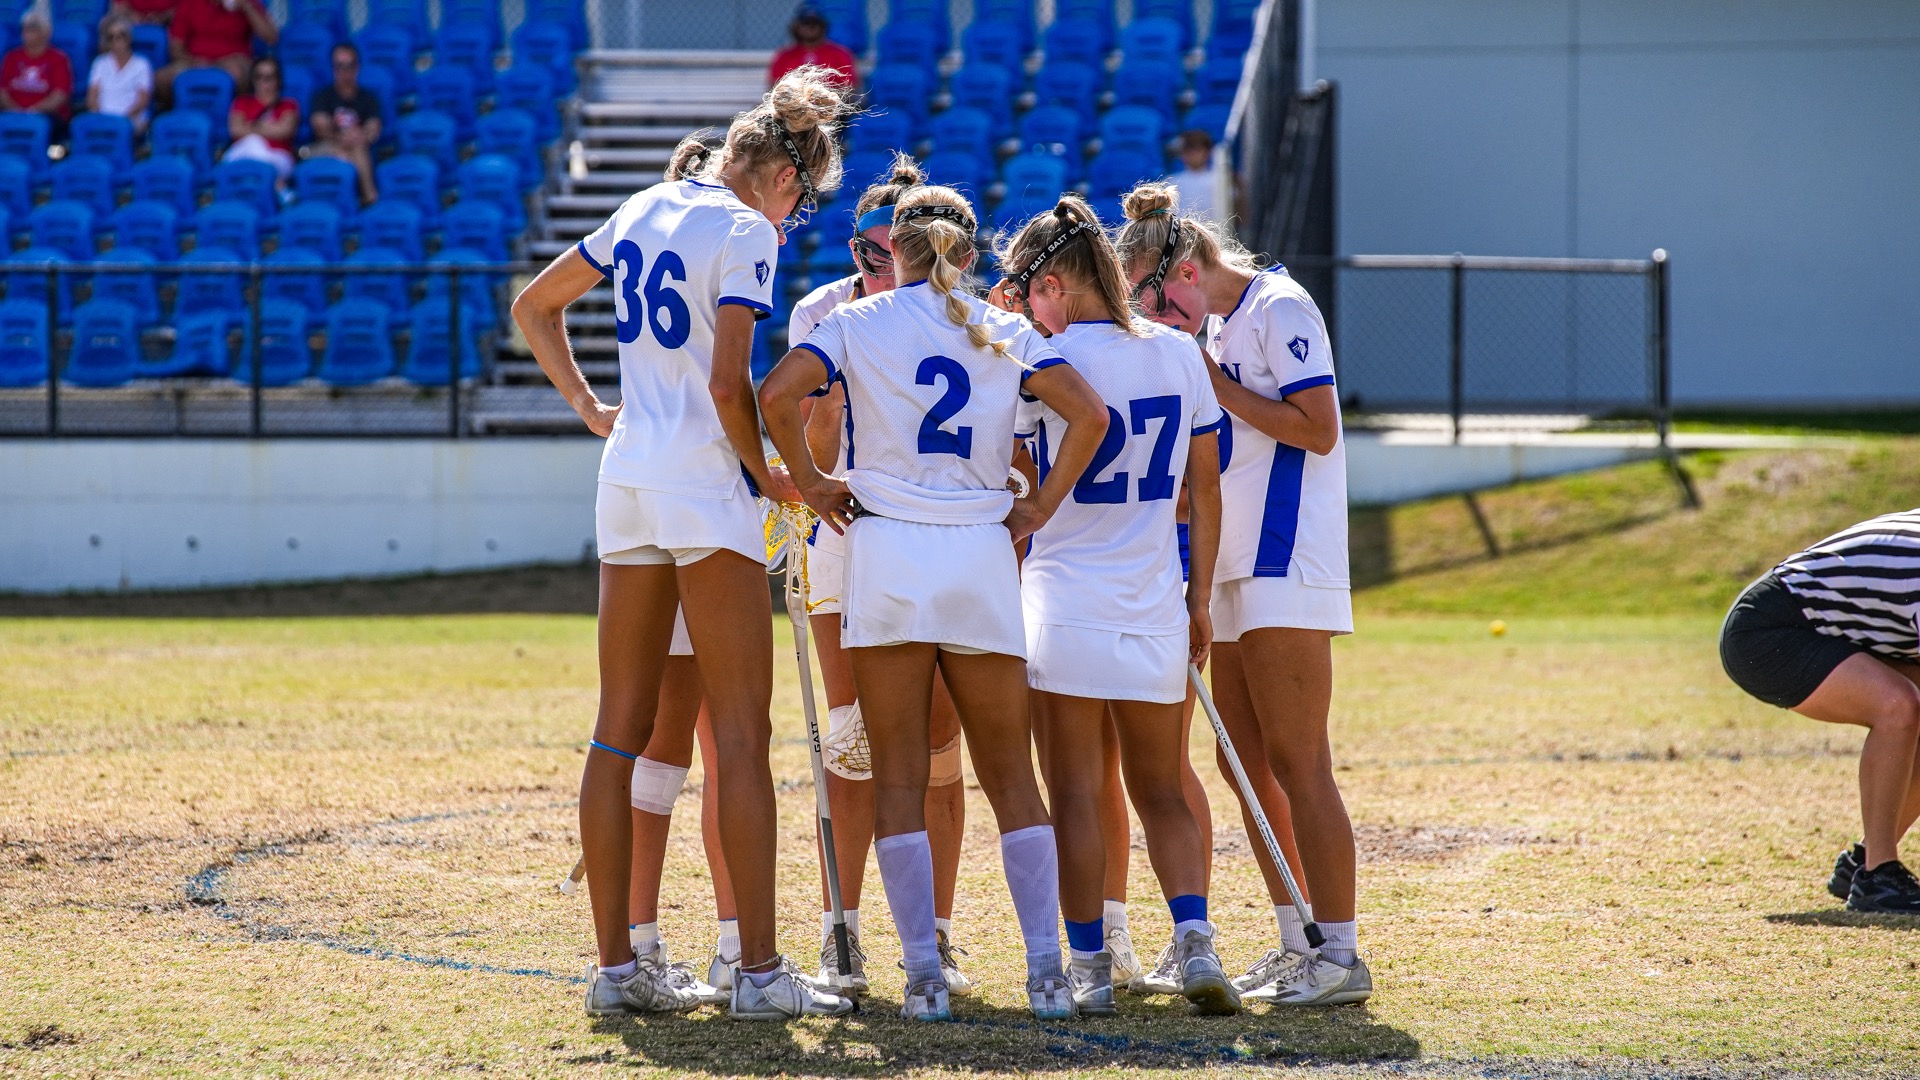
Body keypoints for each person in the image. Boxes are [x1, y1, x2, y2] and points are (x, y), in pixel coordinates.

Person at [511, 65, 855, 1022]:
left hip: (625, 480)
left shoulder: (645, 201)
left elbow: (534, 306)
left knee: (616, 726)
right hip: (705, 487)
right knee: (742, 731)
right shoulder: (746, 231)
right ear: (784, 177)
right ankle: (756, 975)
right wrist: (774, 479)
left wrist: (589, 408)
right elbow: (727, 385)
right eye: (803, 198)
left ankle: (616, 971)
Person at [759, 184, 1111, 1022]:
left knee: (899, 776)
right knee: (1010, 777)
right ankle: (1045, 973)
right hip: (979, 551)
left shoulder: (854, 322)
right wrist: (1038, 506)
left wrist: (811, 485)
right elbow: (1091, 417)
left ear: (900, 251)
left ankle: (921, 975)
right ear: (968, 253)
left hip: (888, 551)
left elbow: (775, 396)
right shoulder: (1005, 327)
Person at [1117, 181, 1371, 1006]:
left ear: (1185, 269)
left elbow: (1319, 427)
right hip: (1233, 562)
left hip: (1285, 559)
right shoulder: (1220, 325)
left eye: (1153, 297)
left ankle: (1340, 954)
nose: (1155, 319)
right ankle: (1298, 937)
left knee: (1301, 761)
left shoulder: (1280, 306)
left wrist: (1207, 378)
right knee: (1241, 760)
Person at [994, 195, 1238, 1017]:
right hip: (1153, 599)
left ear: (1055, 283)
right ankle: (1195, 938)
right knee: (1162, 786)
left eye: (1027, 287)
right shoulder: (1176, 352)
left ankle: (1091, 965)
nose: (1023, 302)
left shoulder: (1043, 358)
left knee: (1073, 794)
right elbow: (1205, 491)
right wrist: (1198, 597)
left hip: (1064, 601)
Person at [787, 154, 973, 998]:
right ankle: (843, 930)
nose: (879, 269)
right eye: (865, 252)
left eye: (894, 253)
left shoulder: (966, 316)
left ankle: (933, 931)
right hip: (847, 539)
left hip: (934, 541)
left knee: (939, 743)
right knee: (852, 740)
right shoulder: (824, 313)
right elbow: (815, 451)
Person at [1721, 509, 1920, 913]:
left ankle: (1864, 862)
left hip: (1825, 629)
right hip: (1768, 633)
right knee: (1899, 705)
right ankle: (1877, 877)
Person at [307, 42, 382, 203]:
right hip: (323, 148)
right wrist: (343, 137)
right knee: (349, 151)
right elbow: (321, 129)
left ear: (358, 67)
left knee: (358, 148)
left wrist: (359, 136)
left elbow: (373, 130)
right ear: (333, 68)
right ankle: (370, 197)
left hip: (356, 147)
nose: (345, 71)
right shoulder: (322, 96)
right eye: (340, 66)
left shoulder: (368, 98)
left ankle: (364, 200)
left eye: (350, 65)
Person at [159, 0, 277, 101]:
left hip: (233, 61)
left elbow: (271, 37)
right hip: (195, 61)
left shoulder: (247, 3)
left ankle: (237, 114)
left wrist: (247, 7)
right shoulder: (191, 3)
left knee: (236, 72)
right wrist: (194, 61)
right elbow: (175, 47)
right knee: (161, 79)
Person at [223, 56, 298, 183]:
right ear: (253, 80)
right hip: (244, 153)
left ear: (278, 80)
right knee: (253, 143)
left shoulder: (288, 105)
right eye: (259, 77)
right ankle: (280, 190)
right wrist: (266, 128)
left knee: (254, 143)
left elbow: (285, 131)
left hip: (279, 156)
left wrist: (251, 127)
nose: (264, 82)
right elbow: (235, 130)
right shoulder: (242, 102)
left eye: (269, 77)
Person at [2, 13, 73, 138]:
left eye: (32, 28)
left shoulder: (59, 59)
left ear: (46, 32)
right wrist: (16, 111)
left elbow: (60, 95)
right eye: (25, 28)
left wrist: (33, 111)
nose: (27, 32)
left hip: (46, 115)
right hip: (12, 112)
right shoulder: (11, 57)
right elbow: (2, 91)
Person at [87, 17, 153, 133]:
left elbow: (143, 100)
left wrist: (122, 121)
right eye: (111, 37)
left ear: (128, 38)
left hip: (131, 118)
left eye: (120, 36)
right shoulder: (100, 63)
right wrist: (101, 118)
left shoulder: (141, 64)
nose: (116, 41)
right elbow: (92, 97)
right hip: (103, 118)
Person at [767, 4, 854, 90]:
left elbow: (850, 87)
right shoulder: (785, 56)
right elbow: (775, 87)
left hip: (831, 102)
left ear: (823, 26)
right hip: (793, 102)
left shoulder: (840, 54)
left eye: (815, 23)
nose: (810, 27)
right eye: (806, 23)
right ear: (797, 27)